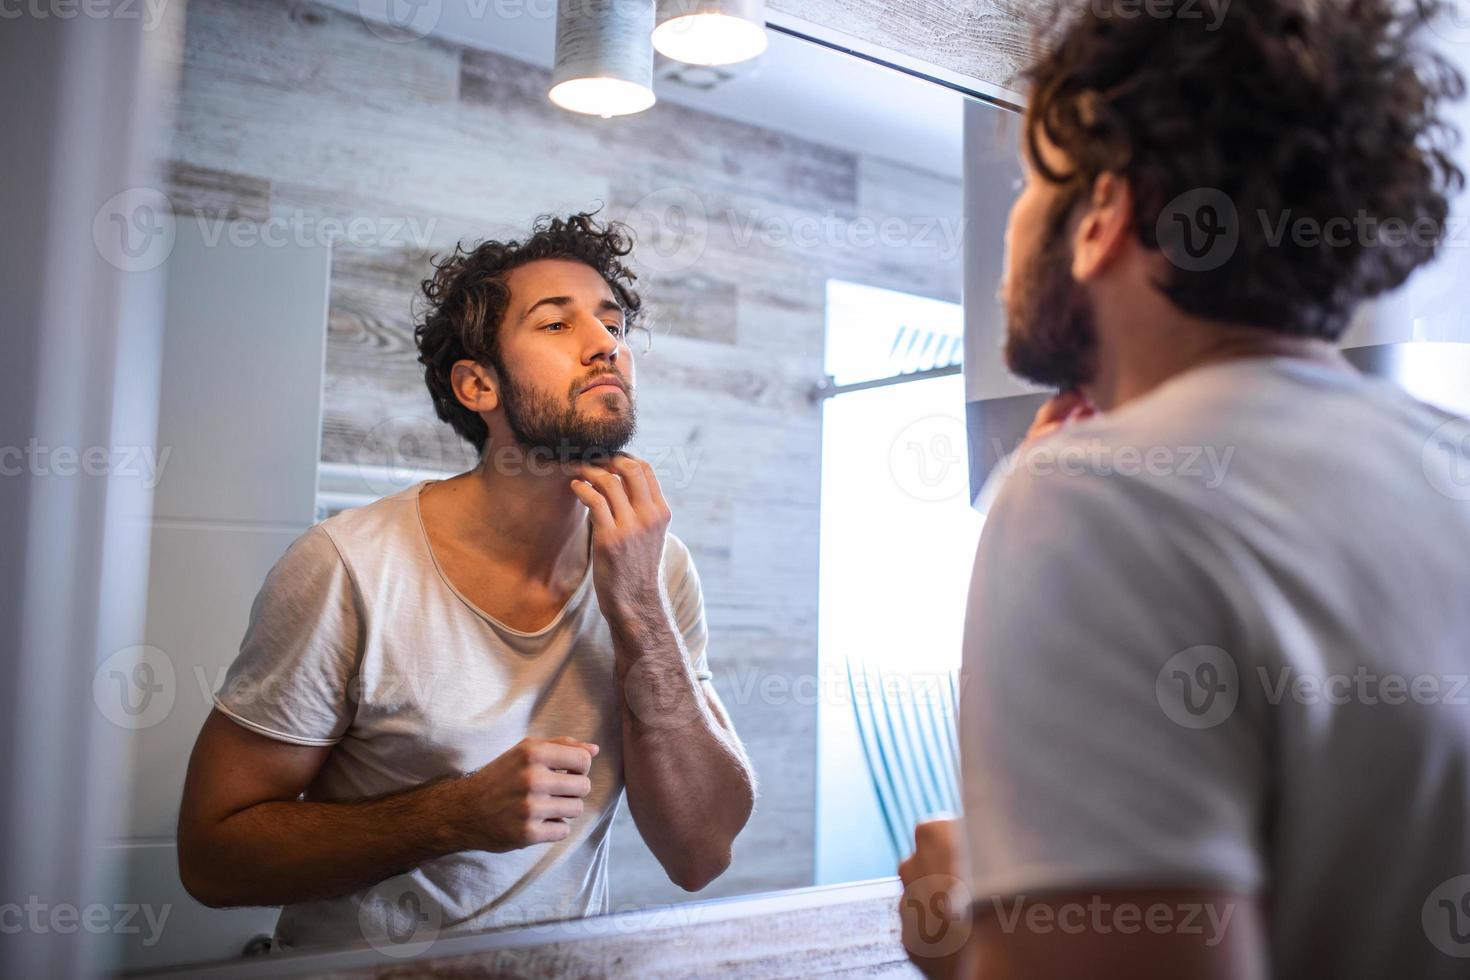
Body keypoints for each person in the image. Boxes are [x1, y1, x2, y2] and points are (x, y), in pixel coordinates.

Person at [898, 0, 1470, 977]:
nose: (1010, 231)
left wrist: (965, 943)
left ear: (1104, 217)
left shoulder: (1093, 496)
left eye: (1032, 186)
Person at [176, 212, 755, 951]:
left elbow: (701, 852)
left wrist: (639, 602)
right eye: (556, 324)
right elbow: (212, 857)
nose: (606, 344)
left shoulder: (655, 562)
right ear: (479, 383)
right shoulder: (348, 567)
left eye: (612, 326)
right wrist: (452, 817)